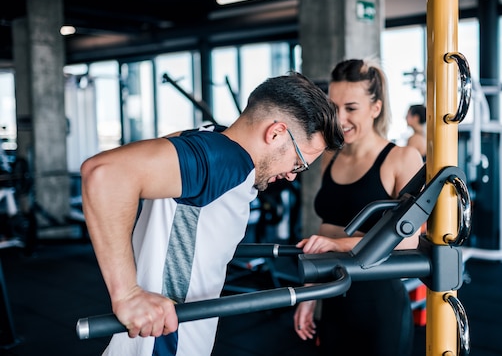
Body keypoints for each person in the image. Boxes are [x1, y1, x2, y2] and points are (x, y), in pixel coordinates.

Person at [80, 72, 344, 356]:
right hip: (165, 341)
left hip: (164, 334)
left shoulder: (209, 136)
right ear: (276, 133)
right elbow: (105, 174)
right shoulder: (225, 162)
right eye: (299, 161)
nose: (293, 175)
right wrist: (127, 295)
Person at [292, 59, 424, 356]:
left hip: (378, 302)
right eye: (333, 107)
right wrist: (310, 295)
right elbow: (325, 231)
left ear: (375, 108)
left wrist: (336, 244)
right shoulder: (331, 156)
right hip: (335, 295)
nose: (338, 119)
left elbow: (408, 240)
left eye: (351, 108)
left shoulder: (403, 158)